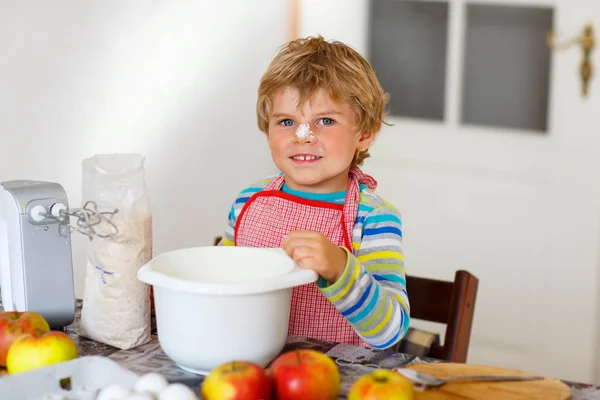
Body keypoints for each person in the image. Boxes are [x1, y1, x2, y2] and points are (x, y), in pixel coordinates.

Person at [218, 35, 410, 349]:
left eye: (324, 120)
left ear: (364, 135)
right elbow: (220, 284)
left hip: (332, 380)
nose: (302, 136)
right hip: (248, 369)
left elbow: (389, 332)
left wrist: (340, 268)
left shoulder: (374, 217)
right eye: (286, 121)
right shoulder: (247, 201)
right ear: (268, 132)